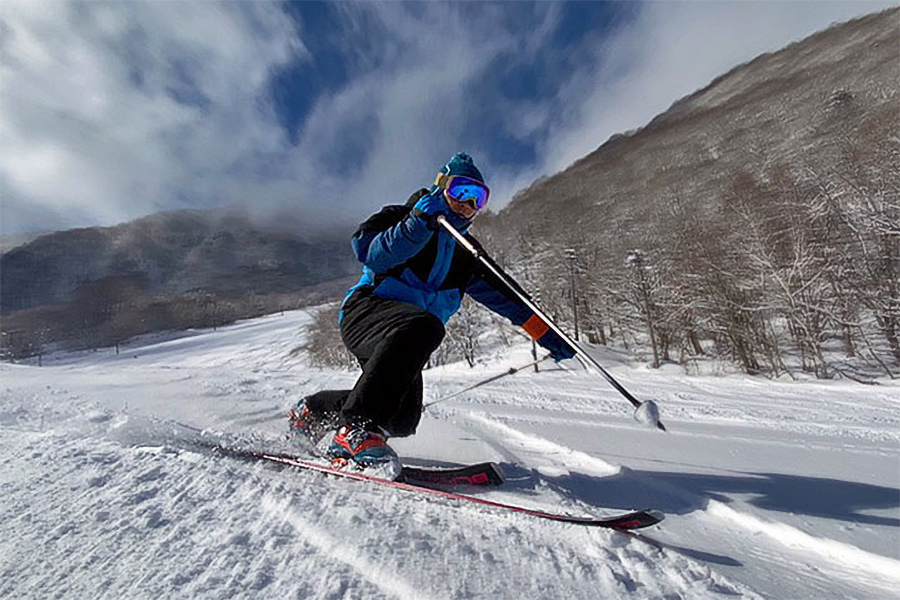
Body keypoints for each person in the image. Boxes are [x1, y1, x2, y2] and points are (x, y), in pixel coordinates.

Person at [288, 152, 575, 475]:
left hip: (407, 337)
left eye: (476, 198)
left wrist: (550, 335)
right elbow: (369, 252)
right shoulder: (402, 217)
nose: (466, 204)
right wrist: (418, 224)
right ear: (441, 187)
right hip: (366, 314)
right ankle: (355, 432)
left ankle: (315, 411)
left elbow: (510, 299)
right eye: (460, 191)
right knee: (425, 326)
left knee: (402, 418)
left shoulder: (466, 254)